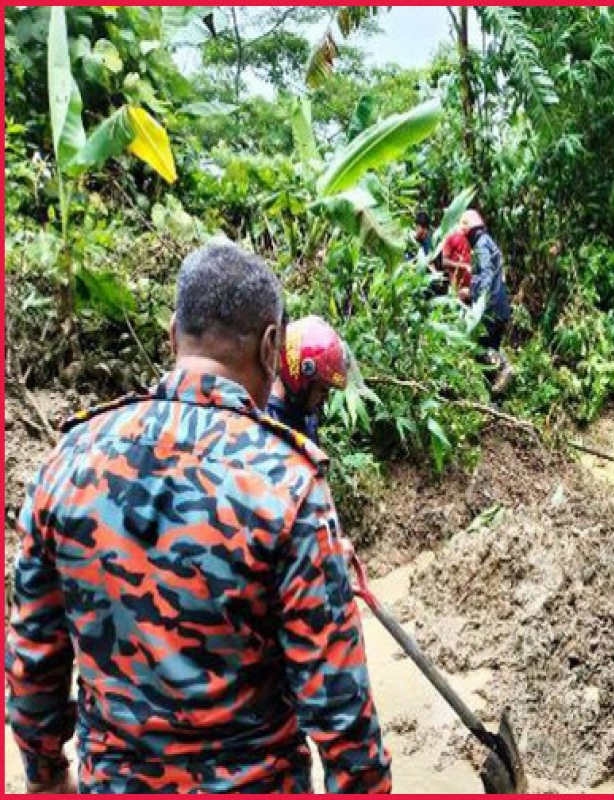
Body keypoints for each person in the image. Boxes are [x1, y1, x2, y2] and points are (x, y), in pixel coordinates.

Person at [4, 240, 391, 794]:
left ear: (171, 335)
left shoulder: (67, 462)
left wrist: (45, 775)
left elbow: (32, 658)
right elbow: (342, 717)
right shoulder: (291, 486)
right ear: (269, 348)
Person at [267, 314, 352, 447]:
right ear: (302, 378)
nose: (325, 399)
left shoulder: (304, 416)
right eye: (323, 389)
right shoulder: (267, 420)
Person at [461, 208, 513, 392]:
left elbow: (486, 275)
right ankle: (494, 400)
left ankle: (503, 366)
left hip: (491, 308)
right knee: (490, 346)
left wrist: (478, 300)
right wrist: (471, 291)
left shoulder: (482, 245)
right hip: (500, 306)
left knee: (479, 347)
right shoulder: (488, 242)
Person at [439, 227, 473, 303]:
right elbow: (444, 262)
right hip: (456, 288)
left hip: (469, 288)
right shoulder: (451, 237)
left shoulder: (470, 239)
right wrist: (463, 266)